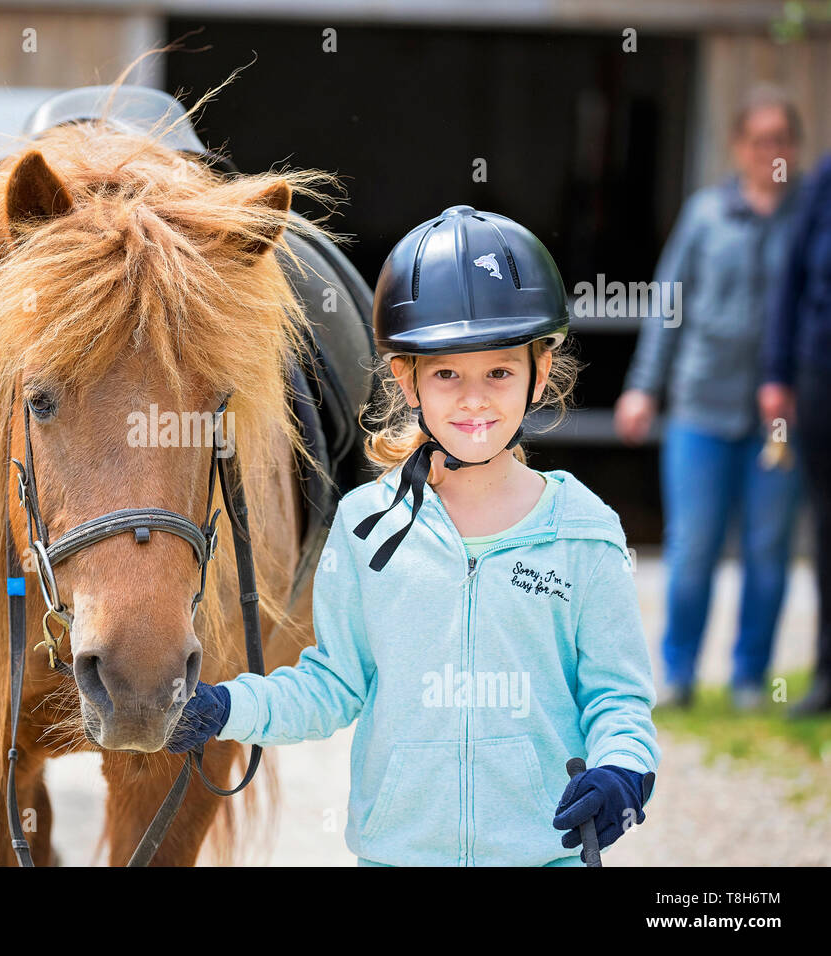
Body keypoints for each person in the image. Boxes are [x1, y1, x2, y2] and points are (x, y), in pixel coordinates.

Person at [167, 206, 659, 866]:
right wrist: (227, 707)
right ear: (407, 380)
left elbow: (616, 696)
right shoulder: (366, 526)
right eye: (448, 373)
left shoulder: (585, 533)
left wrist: (623, 772)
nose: (475, 400)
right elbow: (334, 685)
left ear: (539, 373)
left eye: (500, 373)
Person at [613, 84, 806, 711]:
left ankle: (752, 679)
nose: (768, 152)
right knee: (693, 547)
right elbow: (667, 307)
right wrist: (644, 386)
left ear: (793, 148)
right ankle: (680, 674)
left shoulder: (810, 218)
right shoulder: (705, 215)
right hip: (700, 407)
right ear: (738, 145)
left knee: (768, 551)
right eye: (758, 140)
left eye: (780, 140)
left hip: (780, 419)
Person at [762, 149, 831, 716]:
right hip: (822, 374)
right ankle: (828, 673)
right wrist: (777, 374)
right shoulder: (824, 178)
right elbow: (792, 282)